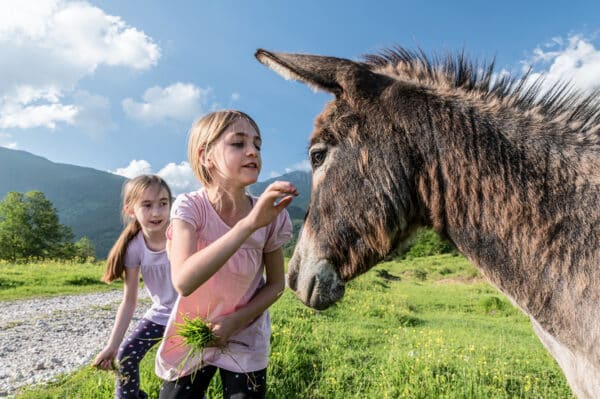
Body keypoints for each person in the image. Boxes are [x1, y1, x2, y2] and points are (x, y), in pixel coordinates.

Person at [155, 110, 296, 399]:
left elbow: (276, 284)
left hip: (245, 332)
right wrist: (248, 225)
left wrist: (235, 322)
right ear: (206, 155)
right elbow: (183, 280)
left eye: (257, 145)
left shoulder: (273, 215)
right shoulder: (190, 208)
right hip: (193, 329)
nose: (252, 152)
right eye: (238, 143)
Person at [93, 174, 177, 399]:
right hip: (160, 315)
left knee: (183, 372)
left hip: (189, 315)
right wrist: (112, 345)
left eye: (163, 203)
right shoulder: (134, 247)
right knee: (127, 354)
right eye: (147, 205)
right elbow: (129, 300)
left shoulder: (182, 233)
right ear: (131, 210)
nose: (157, 212)